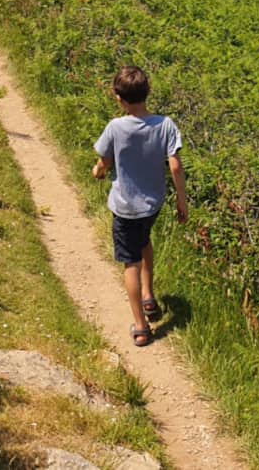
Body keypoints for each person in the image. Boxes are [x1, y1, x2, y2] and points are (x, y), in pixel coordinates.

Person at [92, 66, 188, 346]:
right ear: (148, 93)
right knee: (144, 241)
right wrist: (181, 201)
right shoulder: (165, 124)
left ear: (118, 98)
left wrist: (97, 171)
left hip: (125, 207)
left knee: (130, 262)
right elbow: (176, 166)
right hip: (152, 205)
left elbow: (104, 163)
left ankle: (141, 326)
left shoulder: (116, 127)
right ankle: (148, 296)